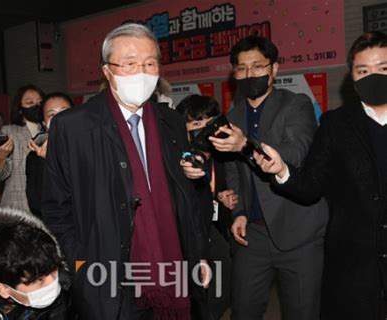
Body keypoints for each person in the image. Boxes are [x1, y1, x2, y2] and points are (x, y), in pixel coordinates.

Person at [42, 23, 210, 319]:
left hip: (173, 267)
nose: (142, 73)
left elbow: (187, 200)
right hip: (106, 275)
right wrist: (81, 264)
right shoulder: (73, 126)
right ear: (107, 71)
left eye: (150, 63)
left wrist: (198, 256)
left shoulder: (170, 121)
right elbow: (56, 207)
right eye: (130, 64)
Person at [182, 35, 328, 320]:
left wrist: (244, 144)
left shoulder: (296, 104)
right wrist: (239, 211)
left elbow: (294, 152)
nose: (250, 74)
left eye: (258, 66)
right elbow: (235, 170)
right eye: (241, 68)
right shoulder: (232, 115)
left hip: (299, 230)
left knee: (302, 312)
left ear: (274, 69)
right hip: (253, 236)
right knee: (244, 310)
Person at [253, 31, 387, 320]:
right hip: (353, 263)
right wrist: (282, 171)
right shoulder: (335, 124)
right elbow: (311, 186)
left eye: (383, 69)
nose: (373, 77)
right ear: (352, 76)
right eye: (363, 70)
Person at [176, 94, 238, 319]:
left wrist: (224, 196)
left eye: (208, 124)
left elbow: (222, 188)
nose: (203, 130)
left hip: (216, 229)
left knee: (223, 283)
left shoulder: (223, 157)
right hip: (189, 232)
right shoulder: (178, 159)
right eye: (195, 124)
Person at [0, 84, 45, 212]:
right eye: (30, 102)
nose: (36, 106)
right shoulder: (10, 131)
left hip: (44, 204)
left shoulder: (50, 131)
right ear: (20, 108)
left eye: (40, 102)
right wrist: (1, 156)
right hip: (17, 204)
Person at [26, 92, 73, 217]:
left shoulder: (93, 146)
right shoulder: (35, 158)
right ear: (44, 123)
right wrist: (49, 162)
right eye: (52, 115)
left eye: (65, 111)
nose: (59, 118)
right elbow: (37, 204)